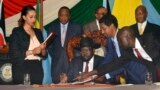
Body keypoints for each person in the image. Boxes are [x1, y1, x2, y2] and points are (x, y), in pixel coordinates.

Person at [75, 26, 158, 84]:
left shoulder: (150, 38)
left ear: (128, 36)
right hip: (152, 80)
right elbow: (113, 64)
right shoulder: (128, 53)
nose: (119, 44)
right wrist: (88, 74)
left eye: (120, 41)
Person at [9, 5, 46, 84]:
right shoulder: (17, 32)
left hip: (37, 68)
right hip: (23, 68)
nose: (34, 19)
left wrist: (43, 50)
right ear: (24, 17)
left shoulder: (38, 32)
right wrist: (32, 52)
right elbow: (13, 54)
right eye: (31, 17)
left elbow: (44, 55)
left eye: (35, 17)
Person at [47, 6, 82, 83]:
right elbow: (49, 46)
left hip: (71, 63)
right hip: (56, 63)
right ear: (58, 16)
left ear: (69, 16)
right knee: (56, 84)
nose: (63, 17)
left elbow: (79, 45)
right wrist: (57, 55)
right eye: (61, 15)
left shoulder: (77, 27)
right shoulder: (52, 28)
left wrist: (72, 56)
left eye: (65, 15)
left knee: (71, 84)